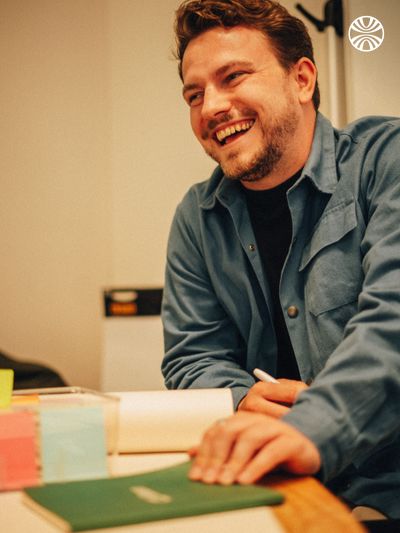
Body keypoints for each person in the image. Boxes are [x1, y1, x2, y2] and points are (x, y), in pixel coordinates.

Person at [161, 0, 400, 519]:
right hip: (272, 486)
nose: (211, 108)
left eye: (234, 77)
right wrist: (242, 397)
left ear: (303, 79)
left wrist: (310, 423)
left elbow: (394, 324)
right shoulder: (195, 219)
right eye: (194, 94)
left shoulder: (388, 161)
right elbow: (189, 356)